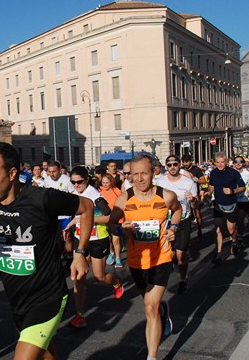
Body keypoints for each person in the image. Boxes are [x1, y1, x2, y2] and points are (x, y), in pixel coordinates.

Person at [0, 142, 93, 359]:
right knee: (45, 353)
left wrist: (80, 254)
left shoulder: (42, 198)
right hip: (17, 299)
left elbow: (87, 206)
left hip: (48, 297)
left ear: (12, 172)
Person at [108, 154, 181, 360]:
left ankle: (152, 356)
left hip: (161, 257)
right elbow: (112, 223)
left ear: (153, 173)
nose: (139, 179)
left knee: (150, 307)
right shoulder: (124, 199)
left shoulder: (166, 196)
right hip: (136, 260)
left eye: (144, 174)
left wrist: (173, 227)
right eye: (135, 174)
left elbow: (177, 210)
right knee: (150, 305)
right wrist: (120, 227)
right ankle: (162, 312)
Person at [63, 166, 123, 328]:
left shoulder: (95, 196)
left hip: (98, 238)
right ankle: (80, 315)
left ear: (87, 180)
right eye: (73, 182)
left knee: (99, 276)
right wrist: (68, 227)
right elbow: (73, 217)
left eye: (79, 182)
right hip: (80, 239)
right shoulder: (73, 195)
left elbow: (109, 217)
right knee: (79, 277)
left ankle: (115, 281)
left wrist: (89, 220)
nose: (76, 185)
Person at [155, 155, 197, 294]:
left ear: (179, 165)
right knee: (170, 255)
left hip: (183, 220)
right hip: (165, 221)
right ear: (166, 166)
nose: (172, 167)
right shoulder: (159, 181)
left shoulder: (188, 182)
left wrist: (193, 200)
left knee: (180, 256)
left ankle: (182, 280)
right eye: (170, 164)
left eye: (175, 164)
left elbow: (197, 204)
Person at [207, 152, 246, 265]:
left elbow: (243, 187)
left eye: (222, 162)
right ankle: (219, 253)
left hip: (231, 204)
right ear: (214, 163)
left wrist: (232, 191)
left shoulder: (233, 173)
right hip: (218, 204)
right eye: (217, 163)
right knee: (218, 229)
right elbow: (212, 186)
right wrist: (208, 193)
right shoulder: (213, 173)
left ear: (226, 162)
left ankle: (234, 241)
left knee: (231, 230)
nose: (220, 165)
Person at [181, 154, 208, 241]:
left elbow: (204, 180)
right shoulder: (181, 170)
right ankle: (186, 232)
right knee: (186, 214)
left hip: (194, 194)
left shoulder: (196, 169)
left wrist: (194, 178)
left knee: (197, 213)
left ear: (190, 161)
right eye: (184, 162)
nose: (185, 164)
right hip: (184, 195)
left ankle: (199, 230)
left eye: (187, 162)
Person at [99, 174, 123, 268]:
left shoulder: (117, 191)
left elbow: (122, 204)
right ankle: (111, 253)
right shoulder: (99, 191)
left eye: (107, 182)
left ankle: (118, 258)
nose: (105, 185)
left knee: (116, 239)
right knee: (108, 239)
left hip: (117, 219)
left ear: (111, 182)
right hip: (105, 219)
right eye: (103, 183)